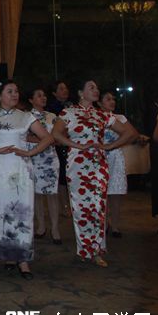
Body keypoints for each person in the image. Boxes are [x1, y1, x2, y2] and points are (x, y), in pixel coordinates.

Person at [0, 80, 54, 280]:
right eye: (9, 91)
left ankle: (23, 259)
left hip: (21, 168)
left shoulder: (26, 116)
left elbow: (48, 138)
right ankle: (8, 254)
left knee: (24, 211)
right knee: (2, 211)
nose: (14, 94)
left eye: (16, 91)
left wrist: (30, 152)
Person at [52, 79, 137, 267]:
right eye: (91, 87)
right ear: (80, 93)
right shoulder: (68, 112)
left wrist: (109, 146)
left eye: (97, 87)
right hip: (77, 164)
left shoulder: (102, 114)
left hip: (98, 163)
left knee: (98, 206)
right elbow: (55, 134)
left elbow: (130, 133)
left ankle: (97, 250)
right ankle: (84, 249)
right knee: (80, 207)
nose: (96, 90)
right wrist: (76, 145)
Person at [98, 90, 138, 238]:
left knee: (115, 192)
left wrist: (117, 144)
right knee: (101, 192)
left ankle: (115, 225)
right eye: (108, 99)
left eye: (113, 99)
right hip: (100, 158)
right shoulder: (95, 118)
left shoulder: (120, 118)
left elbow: (133, 135)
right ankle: (103, 224)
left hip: (115, 157)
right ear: (99, 102)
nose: (112, 102)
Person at [26, 87, 62, 244]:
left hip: (50, 158)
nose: (43, 98)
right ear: (31, 100)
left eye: (44, 95)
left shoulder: (52, 117)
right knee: (36, 195)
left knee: (52, 194)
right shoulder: (26, 117)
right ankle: (41, 226)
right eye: (39, 95)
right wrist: (44, 139)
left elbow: (59, 137)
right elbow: (24, 137)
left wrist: (48, 140)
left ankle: (55, 228)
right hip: (32, 158)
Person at [46, 80, 72, 217]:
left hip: (71, 144)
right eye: (61, 89)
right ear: (54, 93)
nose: (65, 91)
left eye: (65, 88)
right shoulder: (51, 109)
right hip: (58, 144)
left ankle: (72, 204)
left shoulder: (71, 106)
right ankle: (64, 205)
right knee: (62, 176)